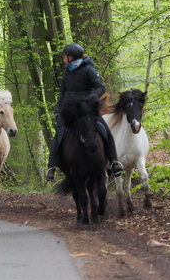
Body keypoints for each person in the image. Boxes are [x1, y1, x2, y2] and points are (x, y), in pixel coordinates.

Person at [45, 42, 124, 182]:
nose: (64, 59)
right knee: (59, 134)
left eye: (65, 56)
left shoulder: (89, 70)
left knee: (105, 131)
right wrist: (58, 109)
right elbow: (63, 93)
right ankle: (51, 167)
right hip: (69, 109)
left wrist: (92, 99)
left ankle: (114, 162)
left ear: (72, 57)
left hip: (87, 108)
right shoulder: (67, 72)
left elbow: (100, 87)